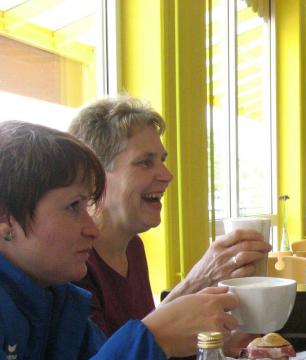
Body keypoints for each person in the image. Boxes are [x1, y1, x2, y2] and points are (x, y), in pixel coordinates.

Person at [0, 121, 239, 360]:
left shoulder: (59, 301)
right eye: (73, 207)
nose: (91, 228)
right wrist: (153, 339)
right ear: (6, 219)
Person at [67, 96, 269, 337]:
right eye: (145, 163)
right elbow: (109, 359)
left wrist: (219, 344)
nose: (167, 175)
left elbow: (151, 350)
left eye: (162, 160)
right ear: (95, 174)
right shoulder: (74, 262)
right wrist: (197, 281)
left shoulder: (132, 247)